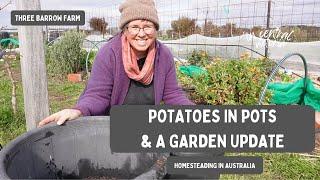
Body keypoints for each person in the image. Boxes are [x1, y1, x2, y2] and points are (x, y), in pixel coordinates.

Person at [38, 0, 194, 127]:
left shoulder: (163, 55)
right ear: (125, 30)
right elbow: (97, 94)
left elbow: (172, 93)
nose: (141, 33)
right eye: (134, 27)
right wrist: (78, 110)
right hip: (111, 128)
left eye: (148, 26)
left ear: (156, 29)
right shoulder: (109, 54)